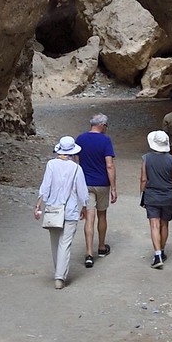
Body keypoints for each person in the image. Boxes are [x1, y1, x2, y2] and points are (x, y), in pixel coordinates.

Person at [34, 135, 90, 288]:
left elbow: (45, 186)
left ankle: (58, 273)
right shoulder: (76, 168)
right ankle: (60, 277)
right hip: (70, 210)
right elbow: (82, 191)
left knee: (55, 242)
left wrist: (38, 205)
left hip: (53, 209)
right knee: (65, 244)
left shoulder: (51, 164)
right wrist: (84, 206)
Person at [75, 109, 117, 266]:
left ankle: (88, 253)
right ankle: (101, 246)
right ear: (103, 125)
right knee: (102, 215)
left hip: (86, 184)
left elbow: (77, 162)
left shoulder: (80, 139)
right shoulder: (105, 141)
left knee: (89, 218)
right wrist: (113, 188)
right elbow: (109, 165)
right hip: (102, 183)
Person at [140, 129, 172, 266]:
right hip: (168, 195)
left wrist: (143, 194)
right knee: (164, 224)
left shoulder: (146, 159)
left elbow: (144, 179)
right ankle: (162, 250)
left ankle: (157, 255)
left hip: (152, 195)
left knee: (154, 225)